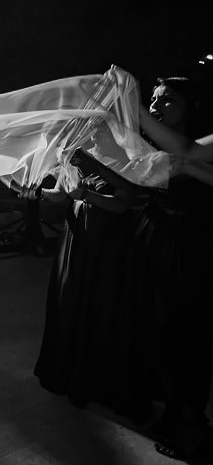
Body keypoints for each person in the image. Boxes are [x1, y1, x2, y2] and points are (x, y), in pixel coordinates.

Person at [128, 77, 213, 460]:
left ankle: (192, 425)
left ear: (190, 106)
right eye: (154, 99)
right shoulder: (165, 147)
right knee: (160, 331)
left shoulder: (198, 143)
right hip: (159, 243)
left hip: (191, 248)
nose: (159, 105)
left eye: (169, 100)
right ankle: (176, 412)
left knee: (188, 337)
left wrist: (136, 110)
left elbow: (185, 153)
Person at [22, 137, 138, 412]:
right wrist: (36, 193)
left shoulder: (122, 155)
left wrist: (87, 196)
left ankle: (94, 379)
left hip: (106, 239)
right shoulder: (75, 154)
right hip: (76, 235)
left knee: (99, 303)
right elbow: (62, 194)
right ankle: (67, 370)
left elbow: (123, 204)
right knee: (70, 300)